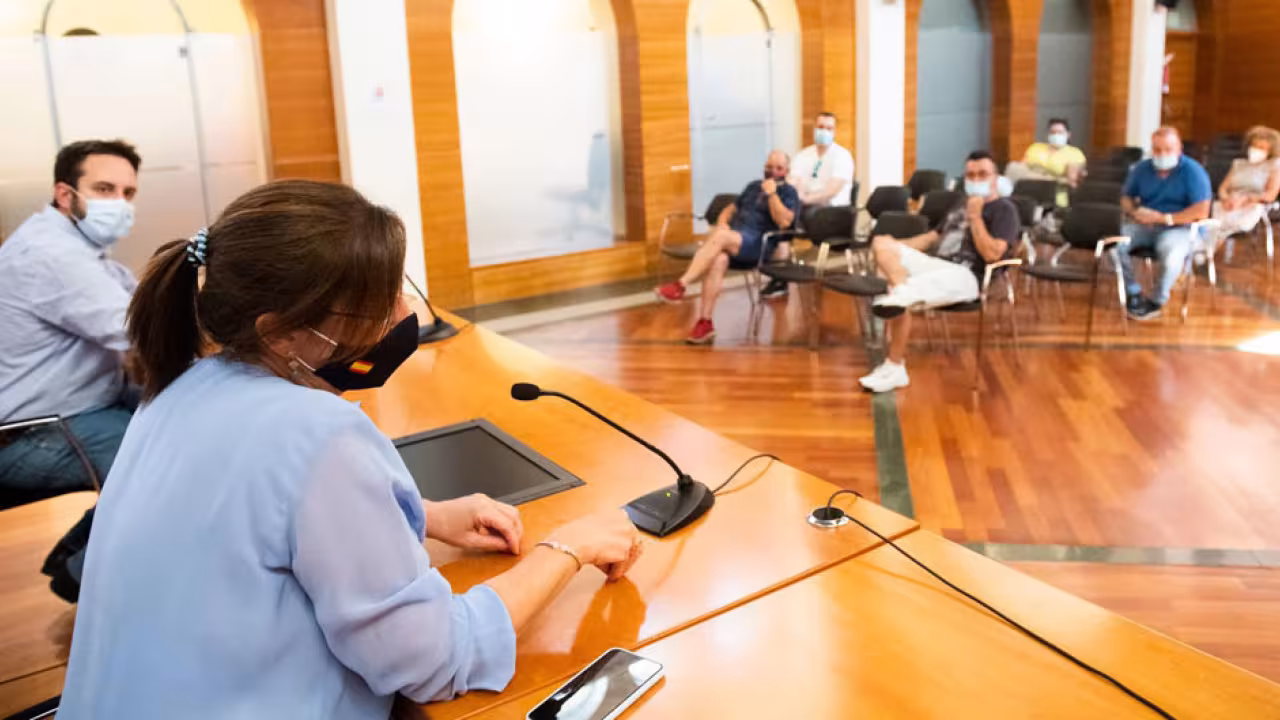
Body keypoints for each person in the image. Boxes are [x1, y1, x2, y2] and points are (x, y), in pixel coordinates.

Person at [57, 180, 644, 719]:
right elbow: (432, 660)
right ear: (279, 331)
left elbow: (240, 529)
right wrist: (568, 546)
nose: (404, 317)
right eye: (376, 305)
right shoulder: (319, 431)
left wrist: (426, 517)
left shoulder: (176, 389)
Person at [0, 139, 143, 602]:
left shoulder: (80, 249)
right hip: (34, 431)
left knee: (183, 415)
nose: (119, 204)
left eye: (127, 193)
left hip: (86, 402)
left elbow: (140, 301)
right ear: (66, 195)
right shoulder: (49, 255)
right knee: (162, 454)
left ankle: (79, 549)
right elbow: (139, 330)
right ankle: (81, 574)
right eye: (104, 189)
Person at [859, 151, 1020, 393]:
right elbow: (930, 238)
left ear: (995, 179)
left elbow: (992, 255)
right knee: (881, 242)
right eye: (971, 175)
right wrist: (895, 247)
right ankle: (902, 292)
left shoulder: (1004, 210)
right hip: (938, 264)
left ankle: (894, 365)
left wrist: (976, 217)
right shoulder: (959, 205)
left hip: (970, 276)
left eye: (983, 174)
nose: (976, 179)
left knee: (896, 291)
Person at [654, 150, 800, 344]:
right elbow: (730, 209)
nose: (773, 171)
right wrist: (722, 222)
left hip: (759, 245)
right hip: (734, 240)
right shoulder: (753, 186)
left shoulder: (789, 193)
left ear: (786, 171)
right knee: (718, 259)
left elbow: (784, 222)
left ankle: (681, 285)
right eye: (769, 167)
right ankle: (705, 323)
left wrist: (772, 194)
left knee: (720, 237)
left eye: (778, 168)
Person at [759, 112, 857, 299]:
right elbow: (791, 182)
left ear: (835, 131)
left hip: (833, 213)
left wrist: (804, 199)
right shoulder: (803, 155)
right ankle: (780, 276)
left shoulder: (842, 156)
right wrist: (795, 197)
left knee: (785, 217)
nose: (824, 131)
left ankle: (780, 276)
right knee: (778, 216)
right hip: (805, 208)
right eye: (820, 127)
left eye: (829, 128)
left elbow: (831, 191)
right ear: (814, 128)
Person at [1119, 127, 1212, 320]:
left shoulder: (1193, 171)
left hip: (1181, 228)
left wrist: (1164, 219)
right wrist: (1135, 212)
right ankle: (1133, 291)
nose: (1162, 154)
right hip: (1145, 224)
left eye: (1168, 149)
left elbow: (1201, 210)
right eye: (1157, 149)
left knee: (1171, 253)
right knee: (1114, 243)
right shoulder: (1143, 168)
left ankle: (1156, 300)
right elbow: (1126, 197)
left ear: (1179, 150)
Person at [1211, 125, 1280, 254]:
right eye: (1254, 146)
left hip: (1253, 205)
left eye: (1261, 148)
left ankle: (1205, 256)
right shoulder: (1238, 164)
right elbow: (1223, 188)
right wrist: (1227, 199)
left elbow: (1270, 195)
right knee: (1208, 222)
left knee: (1222, 227)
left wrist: (1245, 200)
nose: (1256, 151)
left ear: (1270, 151)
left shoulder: (1274, 166)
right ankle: (1198, 256)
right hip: (1229, 202)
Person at [1017, 118, 1087, 196]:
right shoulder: (1035, 147)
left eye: (1060, 132)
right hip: (1028, 185)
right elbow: (1021, 167)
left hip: (1054, 189)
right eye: (1052, 132)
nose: (1056, 135)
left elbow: (1072, 180)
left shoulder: (1075, 153)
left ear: (1068, 134)